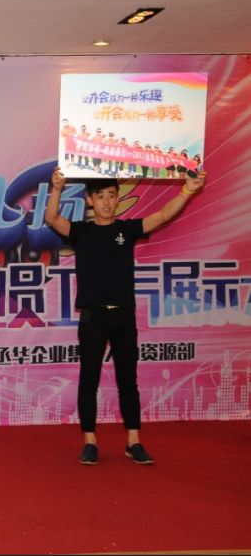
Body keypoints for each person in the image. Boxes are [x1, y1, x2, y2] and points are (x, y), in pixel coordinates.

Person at [44, 166, 206, 465]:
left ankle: (134, 441)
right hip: (93, 316)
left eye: (111, 196)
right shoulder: (82, 232)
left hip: (124, 316)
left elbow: (163, 215)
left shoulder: (126, 230)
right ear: (90, 200)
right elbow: (52, 218)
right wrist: (56, 188)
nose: (107, 202)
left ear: (117, 199)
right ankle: (90, 441)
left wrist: (188, 190)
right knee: (89, 379)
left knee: (127, 381)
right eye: (100, 196)